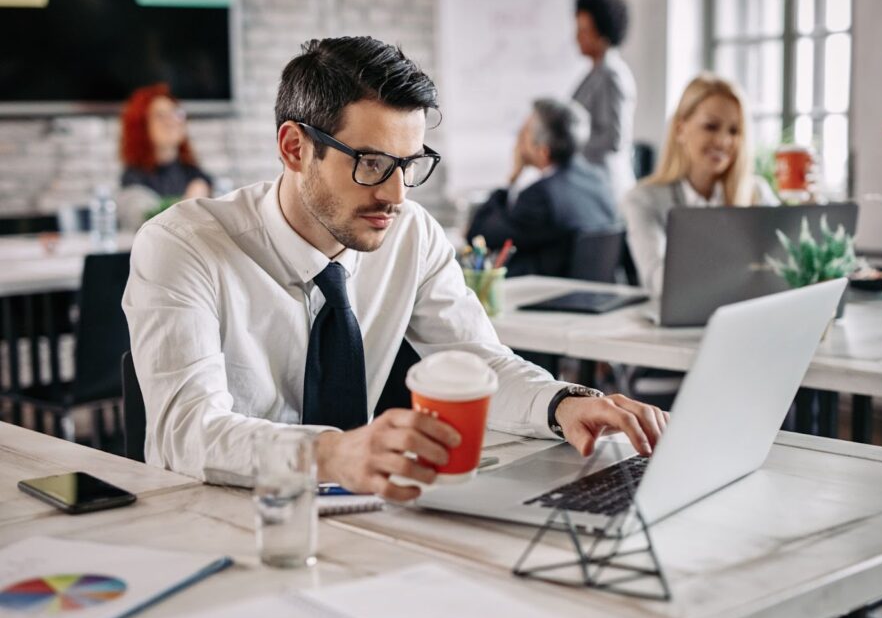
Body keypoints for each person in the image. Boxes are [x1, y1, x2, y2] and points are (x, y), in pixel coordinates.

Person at [123, 37, 667, 500]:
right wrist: (331, 454)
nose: (396, 195)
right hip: (226, 520)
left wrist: (562, 404)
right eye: (372, 164)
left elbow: (474, 361)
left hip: (366, 518)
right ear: (294, 148)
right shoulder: (181, 246)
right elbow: (185, 432)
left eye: (409, 165)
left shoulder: (412, 233)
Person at [623, 72, 779, 295]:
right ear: (680, 129)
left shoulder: (756, 192)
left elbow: (789, 265)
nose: (724, 141)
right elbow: (659, 281)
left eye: (734, 131)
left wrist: (809, 202)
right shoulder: (643, 200)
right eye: (711, 126)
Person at [466, 98, 617, 278]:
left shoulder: (541, 197)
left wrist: (512, 179)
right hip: (593, 293)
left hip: (545, 294)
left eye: (523, 133)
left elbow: (479, 235)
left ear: (543, 151)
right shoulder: (600, 180)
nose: (518, 139)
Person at [118, 83, 213, 230]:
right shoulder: (134, 177)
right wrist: (189, 202)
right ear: (141, 126)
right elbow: (148, 221)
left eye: (175, 113)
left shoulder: (192, 172)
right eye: (160, 116)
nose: (172, 121)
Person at [572, 0, 637, 203]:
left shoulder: (611, 75)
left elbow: (614, 138)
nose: (577, 37)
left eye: (584, 30)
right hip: (592, 182)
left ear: (602, 33)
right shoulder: (597, 72)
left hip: (607, 188)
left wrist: (568, 147)